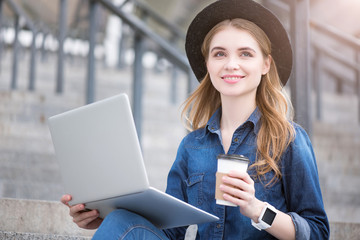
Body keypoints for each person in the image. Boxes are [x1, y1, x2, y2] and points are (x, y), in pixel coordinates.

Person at [61, 0, 330, 239]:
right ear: (209, 64)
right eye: (220, 53)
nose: (231, 64)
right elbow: (171, 232)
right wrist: (103, 216)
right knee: (120, 220)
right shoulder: (192, 146)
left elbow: (317, 232)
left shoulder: (288, 139)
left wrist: (258, 209)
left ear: (265, 65)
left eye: (245, 53)